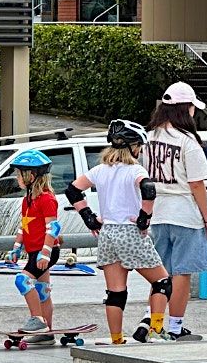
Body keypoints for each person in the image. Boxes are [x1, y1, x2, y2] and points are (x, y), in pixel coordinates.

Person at [66, 120, 173, 344]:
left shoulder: (99, 170)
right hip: (131, 233)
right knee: (162, 282)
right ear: (134, 147)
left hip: (107, 235)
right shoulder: (135, 170)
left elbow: (73, 190)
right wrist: (145, 219)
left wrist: (90, 218)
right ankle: (156, 330)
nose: (140, 151)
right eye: (140, 147)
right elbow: (149, 188)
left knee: (116, 292)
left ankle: (116, 339)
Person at [137, 81, 207, 341]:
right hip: (185, 215)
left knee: (159, 275)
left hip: (156, 215)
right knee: (182, 273)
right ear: (186, 109)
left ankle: (154, 323)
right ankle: (174, 327)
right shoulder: (188, 142)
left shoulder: (147, 139)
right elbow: (196, 184)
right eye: (193, 107)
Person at [7, 149, 60, 343]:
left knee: (22, 280)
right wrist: (16, 247)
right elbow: (25, 225)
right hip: (33, 251)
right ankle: (47, 334)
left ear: (31, 175)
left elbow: (53, 228)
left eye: (19, 173)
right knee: (42, 290)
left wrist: (45, 253)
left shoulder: (47, 199)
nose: (17, 177)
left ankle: (38, 320)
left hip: (46, 251)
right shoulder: (27, 200)